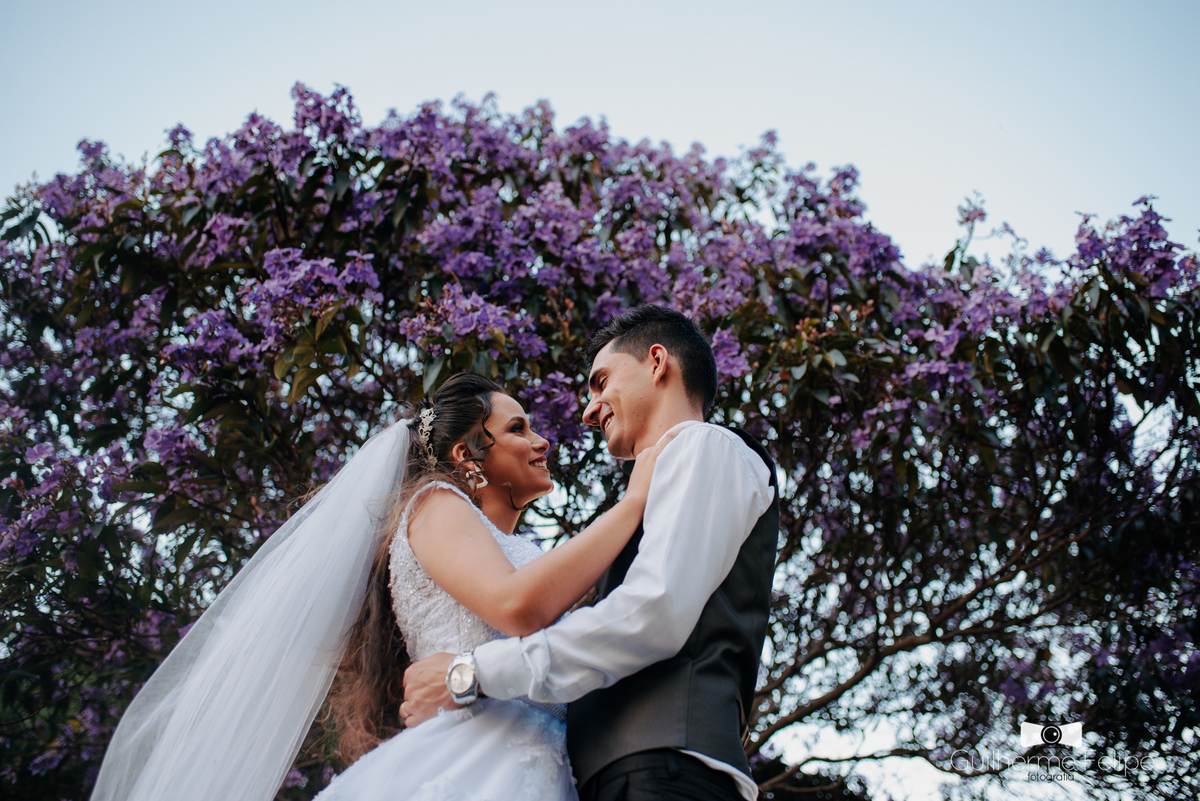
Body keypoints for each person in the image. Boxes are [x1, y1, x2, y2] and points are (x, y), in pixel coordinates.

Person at [90, 372, 673, 801]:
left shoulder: (527, 553)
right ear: (467, 454)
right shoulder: (436, 505)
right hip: (480, 760)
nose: (541, 440)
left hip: (550, 765)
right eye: (518, 428)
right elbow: (516, 605)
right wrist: (633, 504)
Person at [402, 305, 781, 801]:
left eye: (601, 382)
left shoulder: (705, 446)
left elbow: (653, 610)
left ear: (657, 362)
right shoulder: (654, 486)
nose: (587, 410)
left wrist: (473, 674)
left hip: (663, 771)